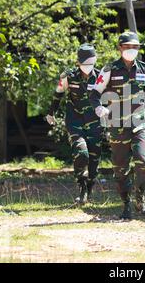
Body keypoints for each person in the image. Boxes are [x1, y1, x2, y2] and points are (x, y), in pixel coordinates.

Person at [90, 31, 145, 219]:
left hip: (140, 124)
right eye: (127, 47)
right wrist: (99, 107)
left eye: (134, 47)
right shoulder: (109, 69)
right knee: (120, 168)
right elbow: (95, 93)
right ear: (120, 48)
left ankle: (140, 200)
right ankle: (126, 204)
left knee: (144, 162)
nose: (131, 50)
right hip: (117, 125)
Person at [46, 43, 103, 204]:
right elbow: (58, 94)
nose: (87, 67)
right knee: (81, 152)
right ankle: (82, 186)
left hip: (95, 123)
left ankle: (88, 190)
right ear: (78, 62)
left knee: (94, 159)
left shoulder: (100, 78)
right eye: (84, 64)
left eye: (90, 63)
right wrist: (51, 112)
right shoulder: (68, 76)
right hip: (75, 121)